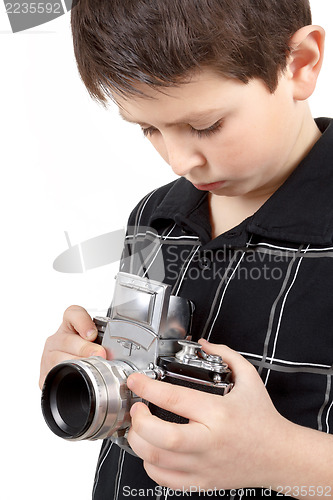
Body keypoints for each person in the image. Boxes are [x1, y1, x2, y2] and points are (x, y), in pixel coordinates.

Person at [39, 1, 333, 498]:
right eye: (150, 129)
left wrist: (282, 458)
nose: (179, 160)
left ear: (300, 64)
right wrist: (90, 376)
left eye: (205, 126)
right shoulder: (154, 218)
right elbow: (137, 398)